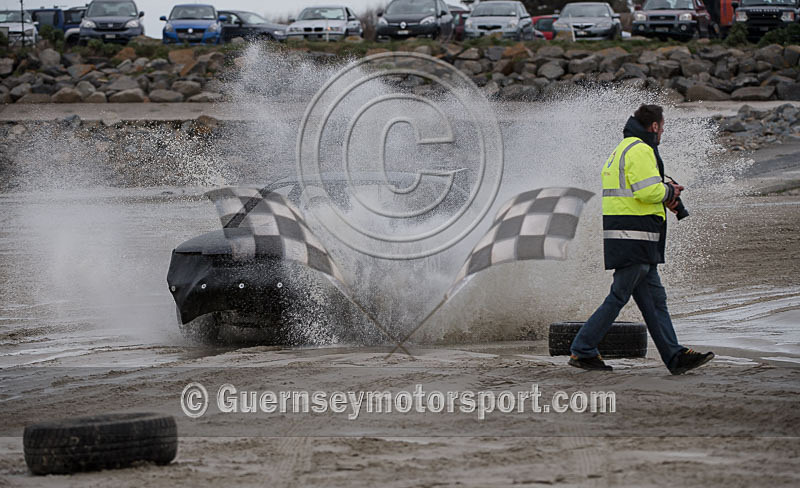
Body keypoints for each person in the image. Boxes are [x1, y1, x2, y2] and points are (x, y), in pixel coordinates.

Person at [569, 104, 714, 374]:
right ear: (655, 126)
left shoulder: (622, 148)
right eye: (663, 127)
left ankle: (674, 356)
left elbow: (637, 192)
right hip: (633, 237)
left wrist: (665, 193)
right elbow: (646, 191)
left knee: (655, 300)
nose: (662, 133)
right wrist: (669, 190)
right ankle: (583, 349)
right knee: (618, 296)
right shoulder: (640, 150)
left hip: (631, 236)